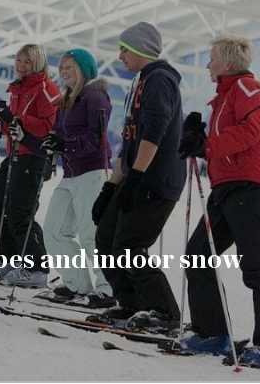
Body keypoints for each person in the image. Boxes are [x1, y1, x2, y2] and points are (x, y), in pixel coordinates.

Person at [177, 34, 260, 369]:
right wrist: (198, 139)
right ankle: (213, 333)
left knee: (256, 266)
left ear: (227, 63)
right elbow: (226, 138)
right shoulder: (225, 97)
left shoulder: (248, 89)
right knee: (198, 252)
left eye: (212, 58)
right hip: (229, 188)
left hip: (251, 187)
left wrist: (207, 146)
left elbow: (250, 132)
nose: (207, 64)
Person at [89, 22, 185, 329]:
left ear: (141, 49)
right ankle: (130, 303)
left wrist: (137, 178)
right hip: (135, 176)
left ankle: (164, 312)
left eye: (124, 49)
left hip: (154, 181)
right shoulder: (142, 81)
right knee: (105, 240)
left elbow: (154, 132)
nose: (119, 56)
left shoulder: (160, 79)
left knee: (129, 248)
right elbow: (130, 143)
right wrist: (110, 187)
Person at [17, 48, 115, 308]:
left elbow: (97, 139)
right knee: (55, 231)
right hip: (70, 174)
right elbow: (53, 142)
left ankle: (107, 288)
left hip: (93, 173)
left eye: (68, 67)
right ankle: (76, 284)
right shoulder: (65, 100)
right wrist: (23, 136)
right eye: (61, 67)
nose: (62, 71)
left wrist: (65, 143)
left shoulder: (96, 97)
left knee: (90, 234)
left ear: (83, 70)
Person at [0, 44, 60, 288]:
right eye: (19, 60)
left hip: (34, 158)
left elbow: (50, 127)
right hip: (15, 156)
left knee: (20, 214)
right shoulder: (19, 89)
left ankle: (36, 269)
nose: (21, 65)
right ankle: (7, 261)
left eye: (27, 62)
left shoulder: (46, 90)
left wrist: (16, 118)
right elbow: (10, 128)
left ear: (38, 63)